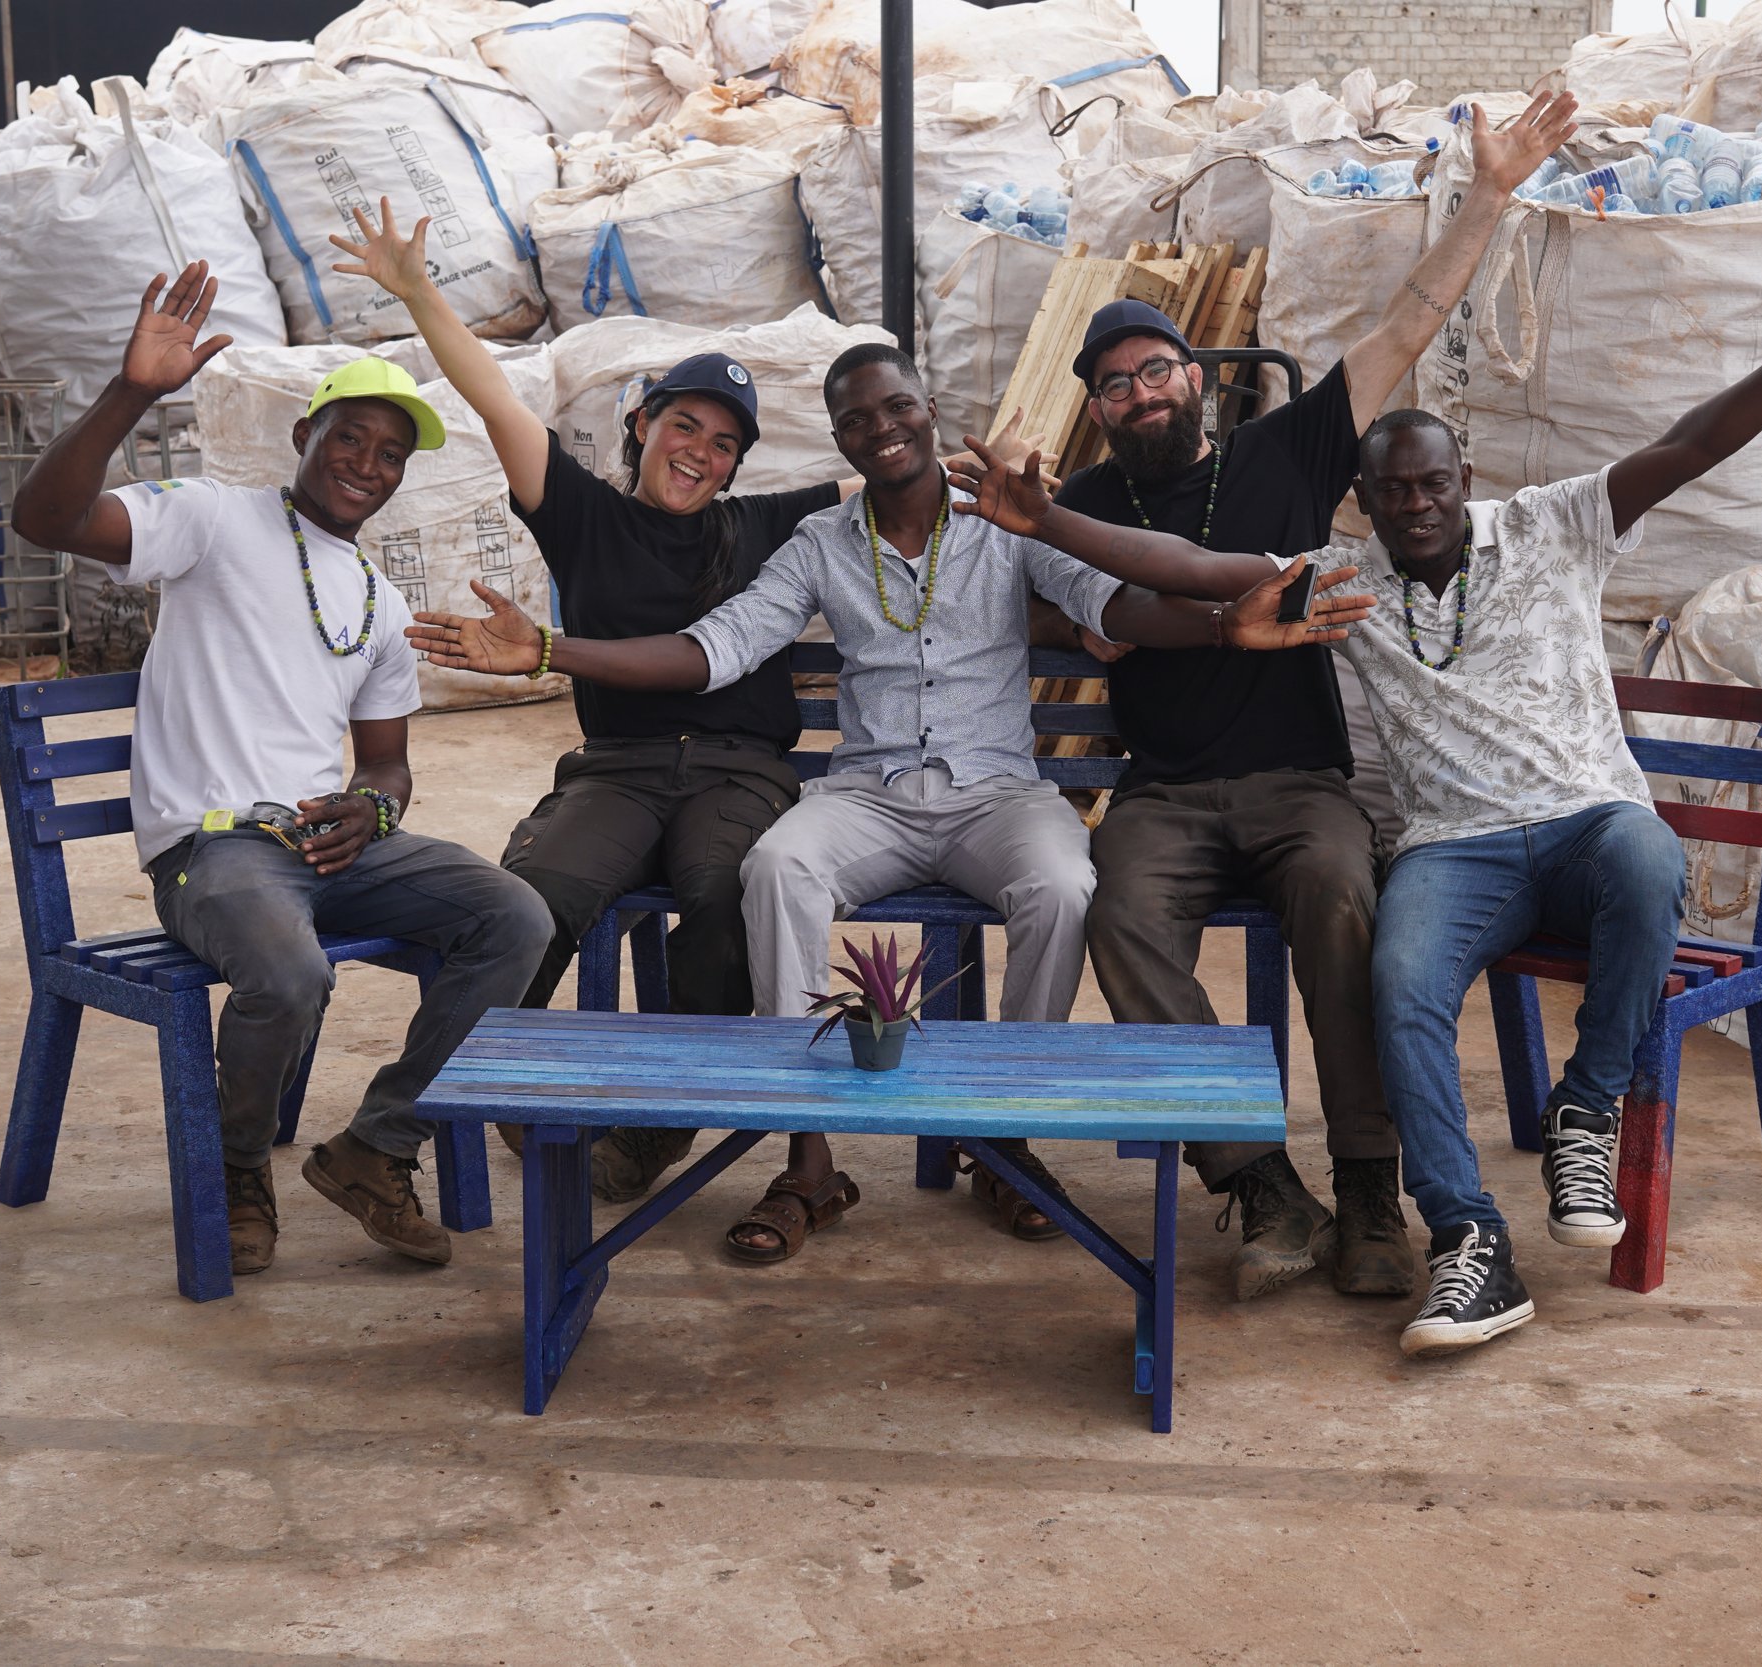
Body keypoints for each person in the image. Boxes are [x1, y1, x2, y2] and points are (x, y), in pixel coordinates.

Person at [948, 248, 1762, 1355]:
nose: (1414, 505)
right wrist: (1047, 526)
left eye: (1433, 483)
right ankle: (1459, 1233)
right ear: (1359, 502)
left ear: (1467, 478)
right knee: (1401, 975)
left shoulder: (1550, 524)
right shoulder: (1341, 581)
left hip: (1584, 819)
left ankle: (1580, 1112)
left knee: (1646, 860)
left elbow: (1689, 447)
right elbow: (1184, 566)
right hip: (1453, 847)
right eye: (1391, 490)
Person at [406, 342, 1374, 1262]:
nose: (882, 426)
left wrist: (1220, 622)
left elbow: (1114, 604)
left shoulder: (1006, 520)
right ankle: (808, 1158)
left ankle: (1005, 1138)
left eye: (898, 406)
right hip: (868, 793)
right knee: (777, 864)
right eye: (857, 417)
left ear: (928, 413)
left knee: (1064, 885)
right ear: (841, 439)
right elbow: (717, 649)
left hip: (998, 791)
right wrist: (546, 649)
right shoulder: (820, 542)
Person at [326, 201, 1044, 1208]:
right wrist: (419, 296)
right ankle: (389, 1142)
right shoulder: (582, 516)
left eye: (722, 442)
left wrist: (988, 470)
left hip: (735, 776)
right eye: (683, 425)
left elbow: (894, 470)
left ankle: (650, 1135)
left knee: (728, 899)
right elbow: (494, 401)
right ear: (641, 426)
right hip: (614, 775)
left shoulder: (767, 526)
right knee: (522, 908)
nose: (700, 451)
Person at [1046, 91, 1579, 1304]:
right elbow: (1035, 580)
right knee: (1115, 911)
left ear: (1193, 375)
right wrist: (1067, 613)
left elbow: (1409, 322)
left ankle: (1367, 1188)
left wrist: (1488, 193)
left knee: (1344, 894)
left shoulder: (1284, 448)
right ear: (1096, 408)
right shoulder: (1080, 500)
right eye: (1116, 383)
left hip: (1299, 785)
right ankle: (1256, 1181)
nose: (1143, 393)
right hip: (1164, 793)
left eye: (1157, 368)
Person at [10, 262, 557, 1277]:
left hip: (325, 845)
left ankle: (376, 1148)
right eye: (348, 434)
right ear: (305, 437)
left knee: (516, 915)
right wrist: (132, 393)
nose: (366, 460)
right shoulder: (213, 520)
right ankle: (234, 1164)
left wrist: (370, 811)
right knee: (293, 971)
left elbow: (388, 766)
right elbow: (44, 521)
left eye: (389, 452)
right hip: (215, 852)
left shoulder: (376, 601)